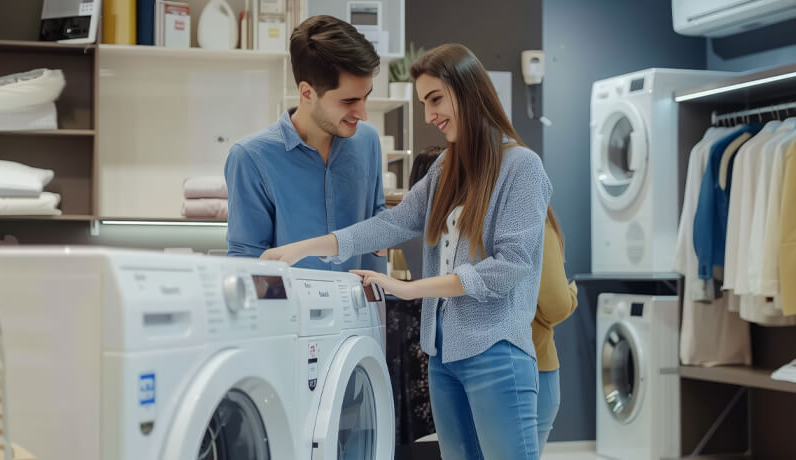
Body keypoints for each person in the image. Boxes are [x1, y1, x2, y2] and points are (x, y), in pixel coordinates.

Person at [262, 43, 552, 459]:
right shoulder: (446, 168)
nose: (430, 115)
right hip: (442, 356)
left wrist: (409, 289)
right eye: (423, 103)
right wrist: (301, 249)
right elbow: (391, 223)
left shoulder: (521, 167)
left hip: (496, 350)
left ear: (469, 90)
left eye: (435, 99)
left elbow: (508, 268)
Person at [223, 15, 386, 273]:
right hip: (289, 311)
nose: (363, 113)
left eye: (366, 97)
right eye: (348, 101)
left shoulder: (368, 141)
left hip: (361, 310)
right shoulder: (251, 157)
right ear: (307, 92)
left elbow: (376, 229)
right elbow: (247, 258)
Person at [533, 207, 579, 453]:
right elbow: (557, 306)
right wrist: (572, 292)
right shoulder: (536, 220)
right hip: (536, 366)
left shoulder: (470, 217)